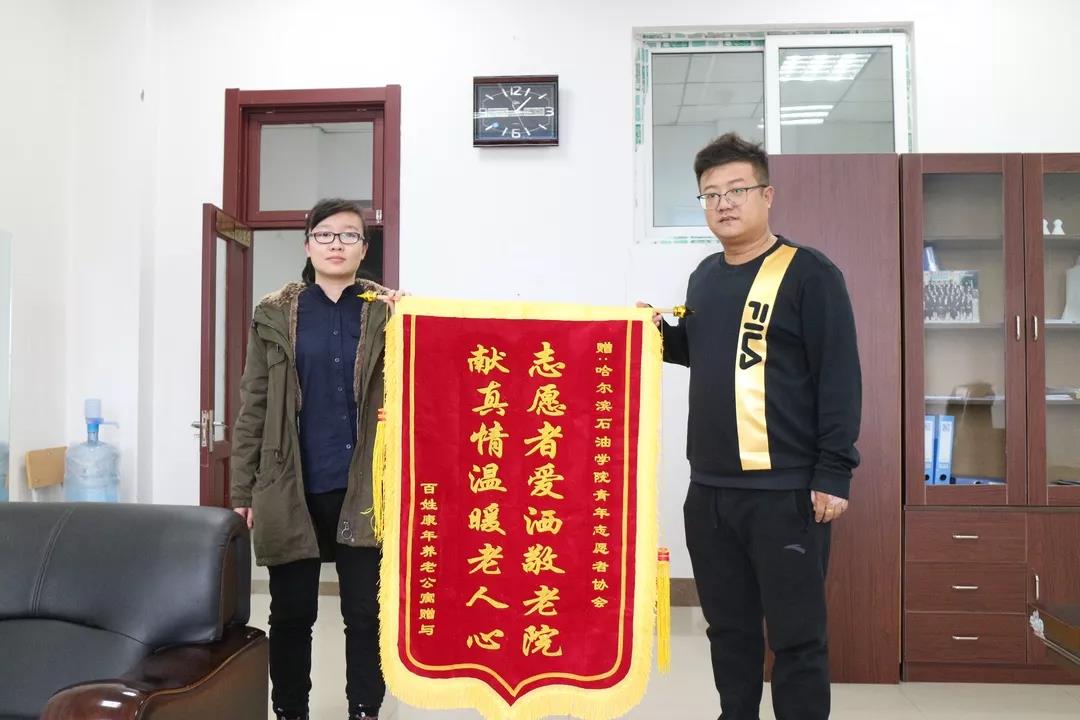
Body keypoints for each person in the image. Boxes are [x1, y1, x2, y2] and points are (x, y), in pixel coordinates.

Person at [640, 133, 861, 720]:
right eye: (710, 194)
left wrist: (834, 473)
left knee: (797, 637)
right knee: (728, 630)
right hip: (710, 491)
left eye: (736, 190)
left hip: (785, 492)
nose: (724, 203)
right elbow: (704, 350)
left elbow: (839, 374)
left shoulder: (809, 273)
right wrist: (650, 334)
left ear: (767, 195)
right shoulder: (704, 277)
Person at [231, 198, 400, 720]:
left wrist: (418, 316)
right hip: (291, 481)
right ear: (307, 246)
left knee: (364, 613)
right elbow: (254, 404)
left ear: (364, 249)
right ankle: (290, 711)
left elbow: (432, 374)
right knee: (291, 613)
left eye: (349, 235)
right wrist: (243, 489)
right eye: (325, 234)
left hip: (365, 485)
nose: (336, 244)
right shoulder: (275, 315)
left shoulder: (388, 313)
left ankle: (365, 710)